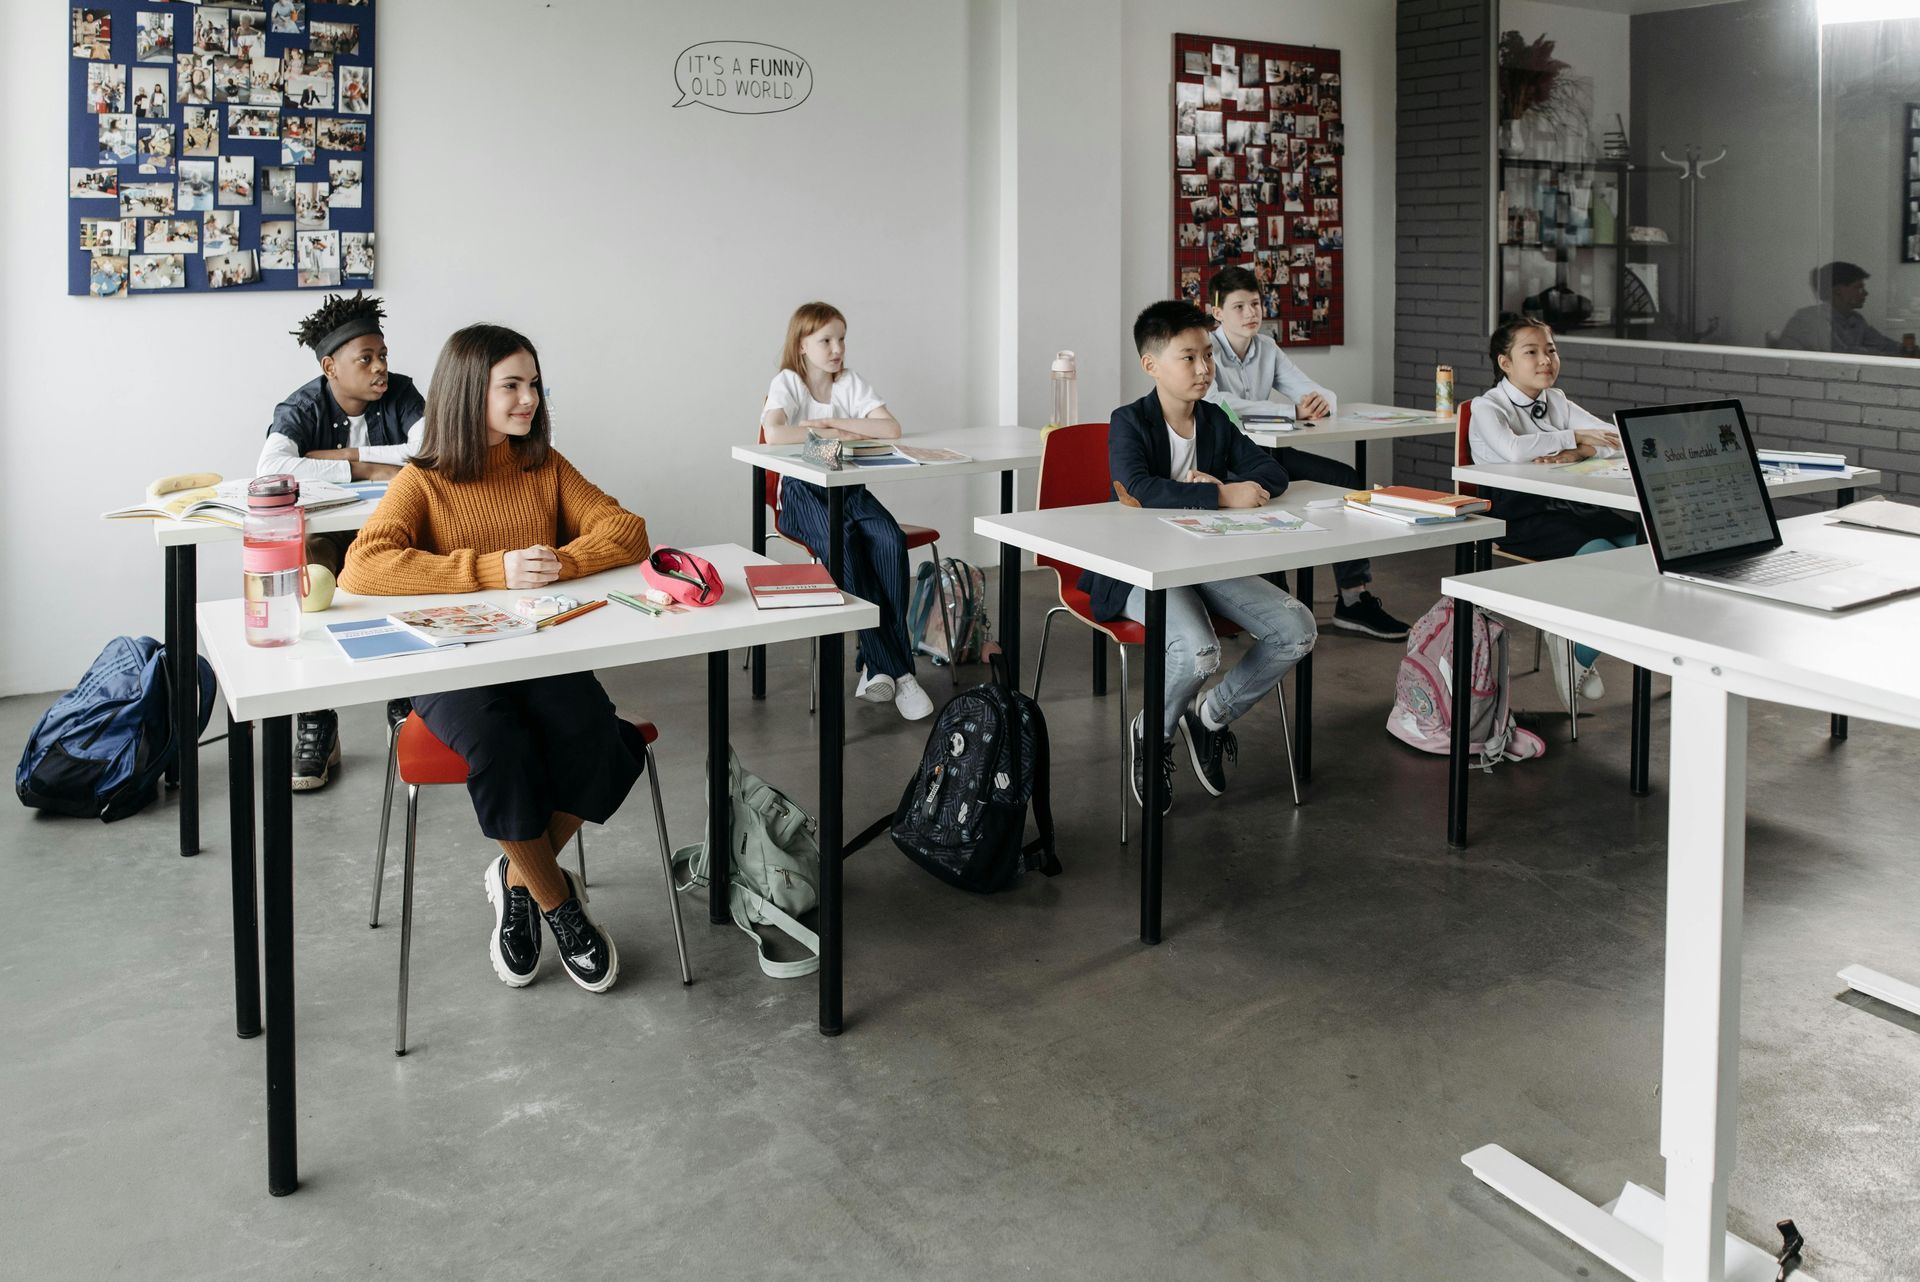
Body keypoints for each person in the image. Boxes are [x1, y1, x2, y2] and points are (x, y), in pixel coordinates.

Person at [340, 324, 647, 994]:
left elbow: (627, 531)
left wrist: (558, 562)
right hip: (448, 665)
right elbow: (362, 567)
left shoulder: (544, 466)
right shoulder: (423, 480)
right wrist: (489, 570)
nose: (529, 399)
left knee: (601, 736)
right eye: (511, 385)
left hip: (536, 653)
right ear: (468, 392)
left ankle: (517, 877)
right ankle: (560, 907)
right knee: (500, 745)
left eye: (533, 384)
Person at [1081, 300, 1318, 813]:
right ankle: (1154, 732)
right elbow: (1137, 488)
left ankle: (1209, 717)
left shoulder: (1214, 419)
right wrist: (1220, 495)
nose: (1204, 368)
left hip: (1204, 561)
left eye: (1208, 355)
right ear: (1151, 365)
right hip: (1138, 567)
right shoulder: (1129, 421)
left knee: (1296, 628)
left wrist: (1226, 483)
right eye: (1188, 357)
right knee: (1198, 651)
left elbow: (1272, 473)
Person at [263, 292, 425, 790]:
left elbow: (431, 450)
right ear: (330, 367)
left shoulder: (402, 393)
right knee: (310, 581)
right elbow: (273, 467)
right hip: (328, 537)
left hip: (388, 531)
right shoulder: (302, 405)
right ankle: (316, 719)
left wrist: (341, 456)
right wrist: (368, 468)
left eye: (383, 356)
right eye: (366, 359)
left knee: (415, 571)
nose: (380, 368)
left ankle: (410, 705)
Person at [1204, 265, 1411, 641]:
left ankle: (1353, 600)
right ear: (1217, 311)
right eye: (1239, 306)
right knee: (1267, 493)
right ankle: (1275, 608)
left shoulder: (1266, 347)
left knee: (1345, 479)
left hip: (1267, 452)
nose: (1251, 313)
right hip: (1225, 460)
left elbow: (1312, 391)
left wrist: (1318, 402)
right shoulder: (1207, 349)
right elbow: (1220, 405)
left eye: (1256, 304)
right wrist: (1290, 411)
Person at [759, 301, 934, 721]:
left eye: (841, 339)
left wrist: (831, 427)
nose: (837, 349)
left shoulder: (849, 382)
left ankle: (876, 664)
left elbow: (891, 428)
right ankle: (900, 672)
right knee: (845, 547)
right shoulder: (789, 382)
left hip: (847, 487)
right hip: (801, 493)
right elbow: (773, 433)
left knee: (889, 539)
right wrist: (846, 432)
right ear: (802, 345)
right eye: (826, 341)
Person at [1467, 315, 1637, 713]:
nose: (1546, 360)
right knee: (1609, 566)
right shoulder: (1486, 407)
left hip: (1569, 507)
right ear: (1505, 363)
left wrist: (1581, 451)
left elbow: (1615, 438)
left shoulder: (1556, 400)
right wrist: (1573, 436)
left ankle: (1574, 642)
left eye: (1551, 350)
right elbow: (1512, 450)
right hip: (1518, 516)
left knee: (1648, 551)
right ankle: (1578, 650)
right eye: (1531, 352)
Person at [1777, 262, 1906, 357]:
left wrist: (1906, 349)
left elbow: (1884, 344)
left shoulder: (1855, 319)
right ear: (1838, 290)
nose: (1865, 293)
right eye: (1858, 287)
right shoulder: (1811, 319)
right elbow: (1842, 355)